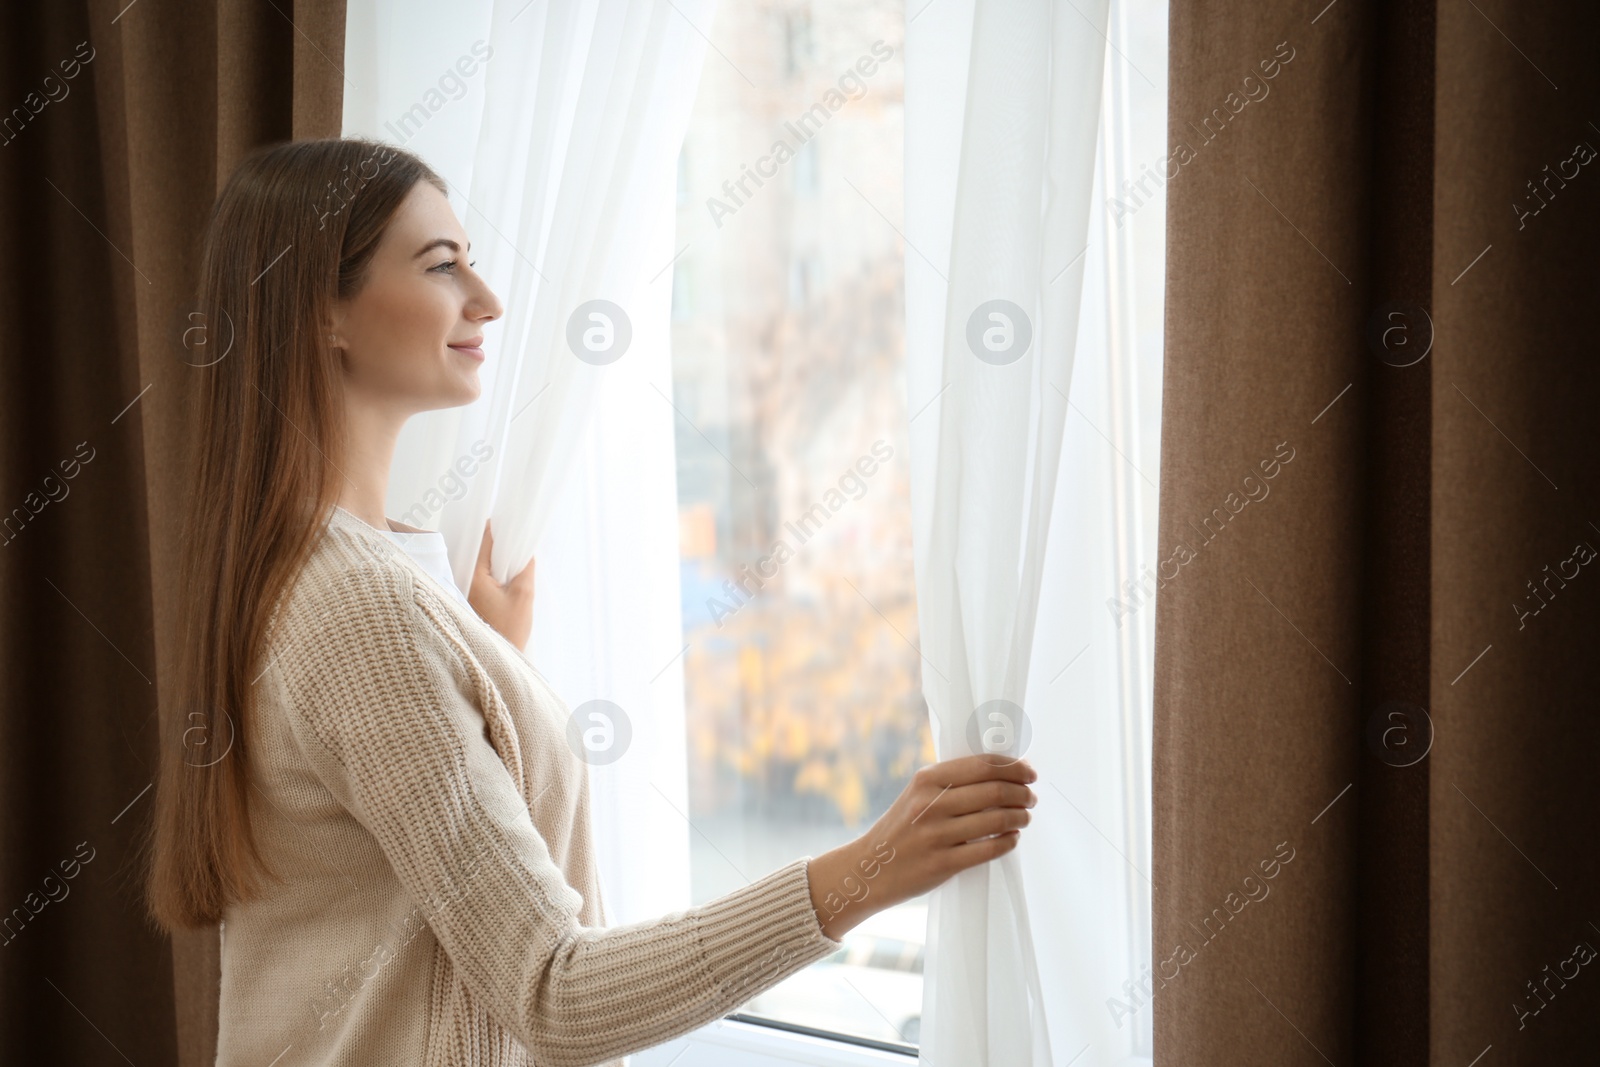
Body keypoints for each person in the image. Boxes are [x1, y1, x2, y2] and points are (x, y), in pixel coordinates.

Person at [143, 137, 1036, 1067]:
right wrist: (867, 870)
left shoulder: (332, 572)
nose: (485, 299)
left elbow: (385, 874)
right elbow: (555, 992)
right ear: (321, 311)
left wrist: (490, 668)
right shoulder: (360, 609)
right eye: (443, 266)